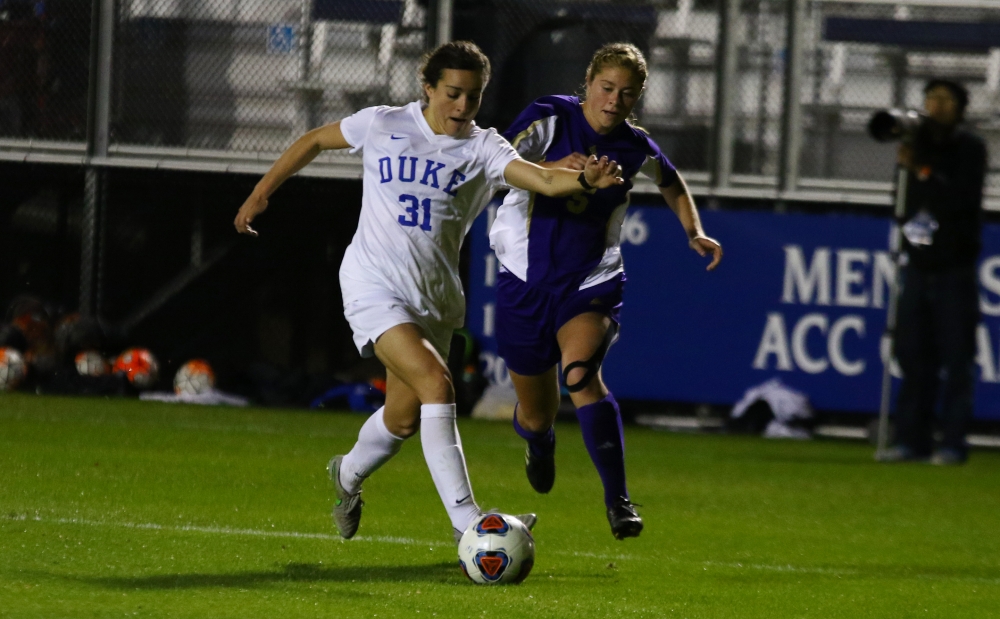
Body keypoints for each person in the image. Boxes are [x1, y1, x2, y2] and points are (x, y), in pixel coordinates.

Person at [233, 40, 625, 542]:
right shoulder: (384, 123)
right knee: (439, 386)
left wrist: (585, 181)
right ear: (428, 88)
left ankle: (347, 475)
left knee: (403, 418)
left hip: (434, 297)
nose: (462, 107)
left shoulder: (483, 147)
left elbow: (543, 180)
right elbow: (313, 140)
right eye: (453, 94)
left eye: (473, 97)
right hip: (373, 283)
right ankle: (470, 525)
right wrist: (260, 194)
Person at [489, 42, 722, 539]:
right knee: (535, 413)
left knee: (579, 373)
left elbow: (671, 180)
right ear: (588, 83)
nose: (614, 101)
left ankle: (618, 499)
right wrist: (558, 168)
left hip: (591, 281)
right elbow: (496, 159)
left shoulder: (634, 146)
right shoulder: (550, 117)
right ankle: (539, 438)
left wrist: (693, 230)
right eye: (607, 88)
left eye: (627, 93)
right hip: (523, 279)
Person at [878, 79, 988, 466]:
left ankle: (952, 443)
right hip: (919, 266)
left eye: (944, 99)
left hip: (954, 268)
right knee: (913, 356)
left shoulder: (969, 148)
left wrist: (920, 168)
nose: (935, 105)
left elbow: (959, 198)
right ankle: (911, 439)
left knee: (956, 358)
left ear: (959, 106)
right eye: (931, 98)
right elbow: (907, 202)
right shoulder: (916, 146)